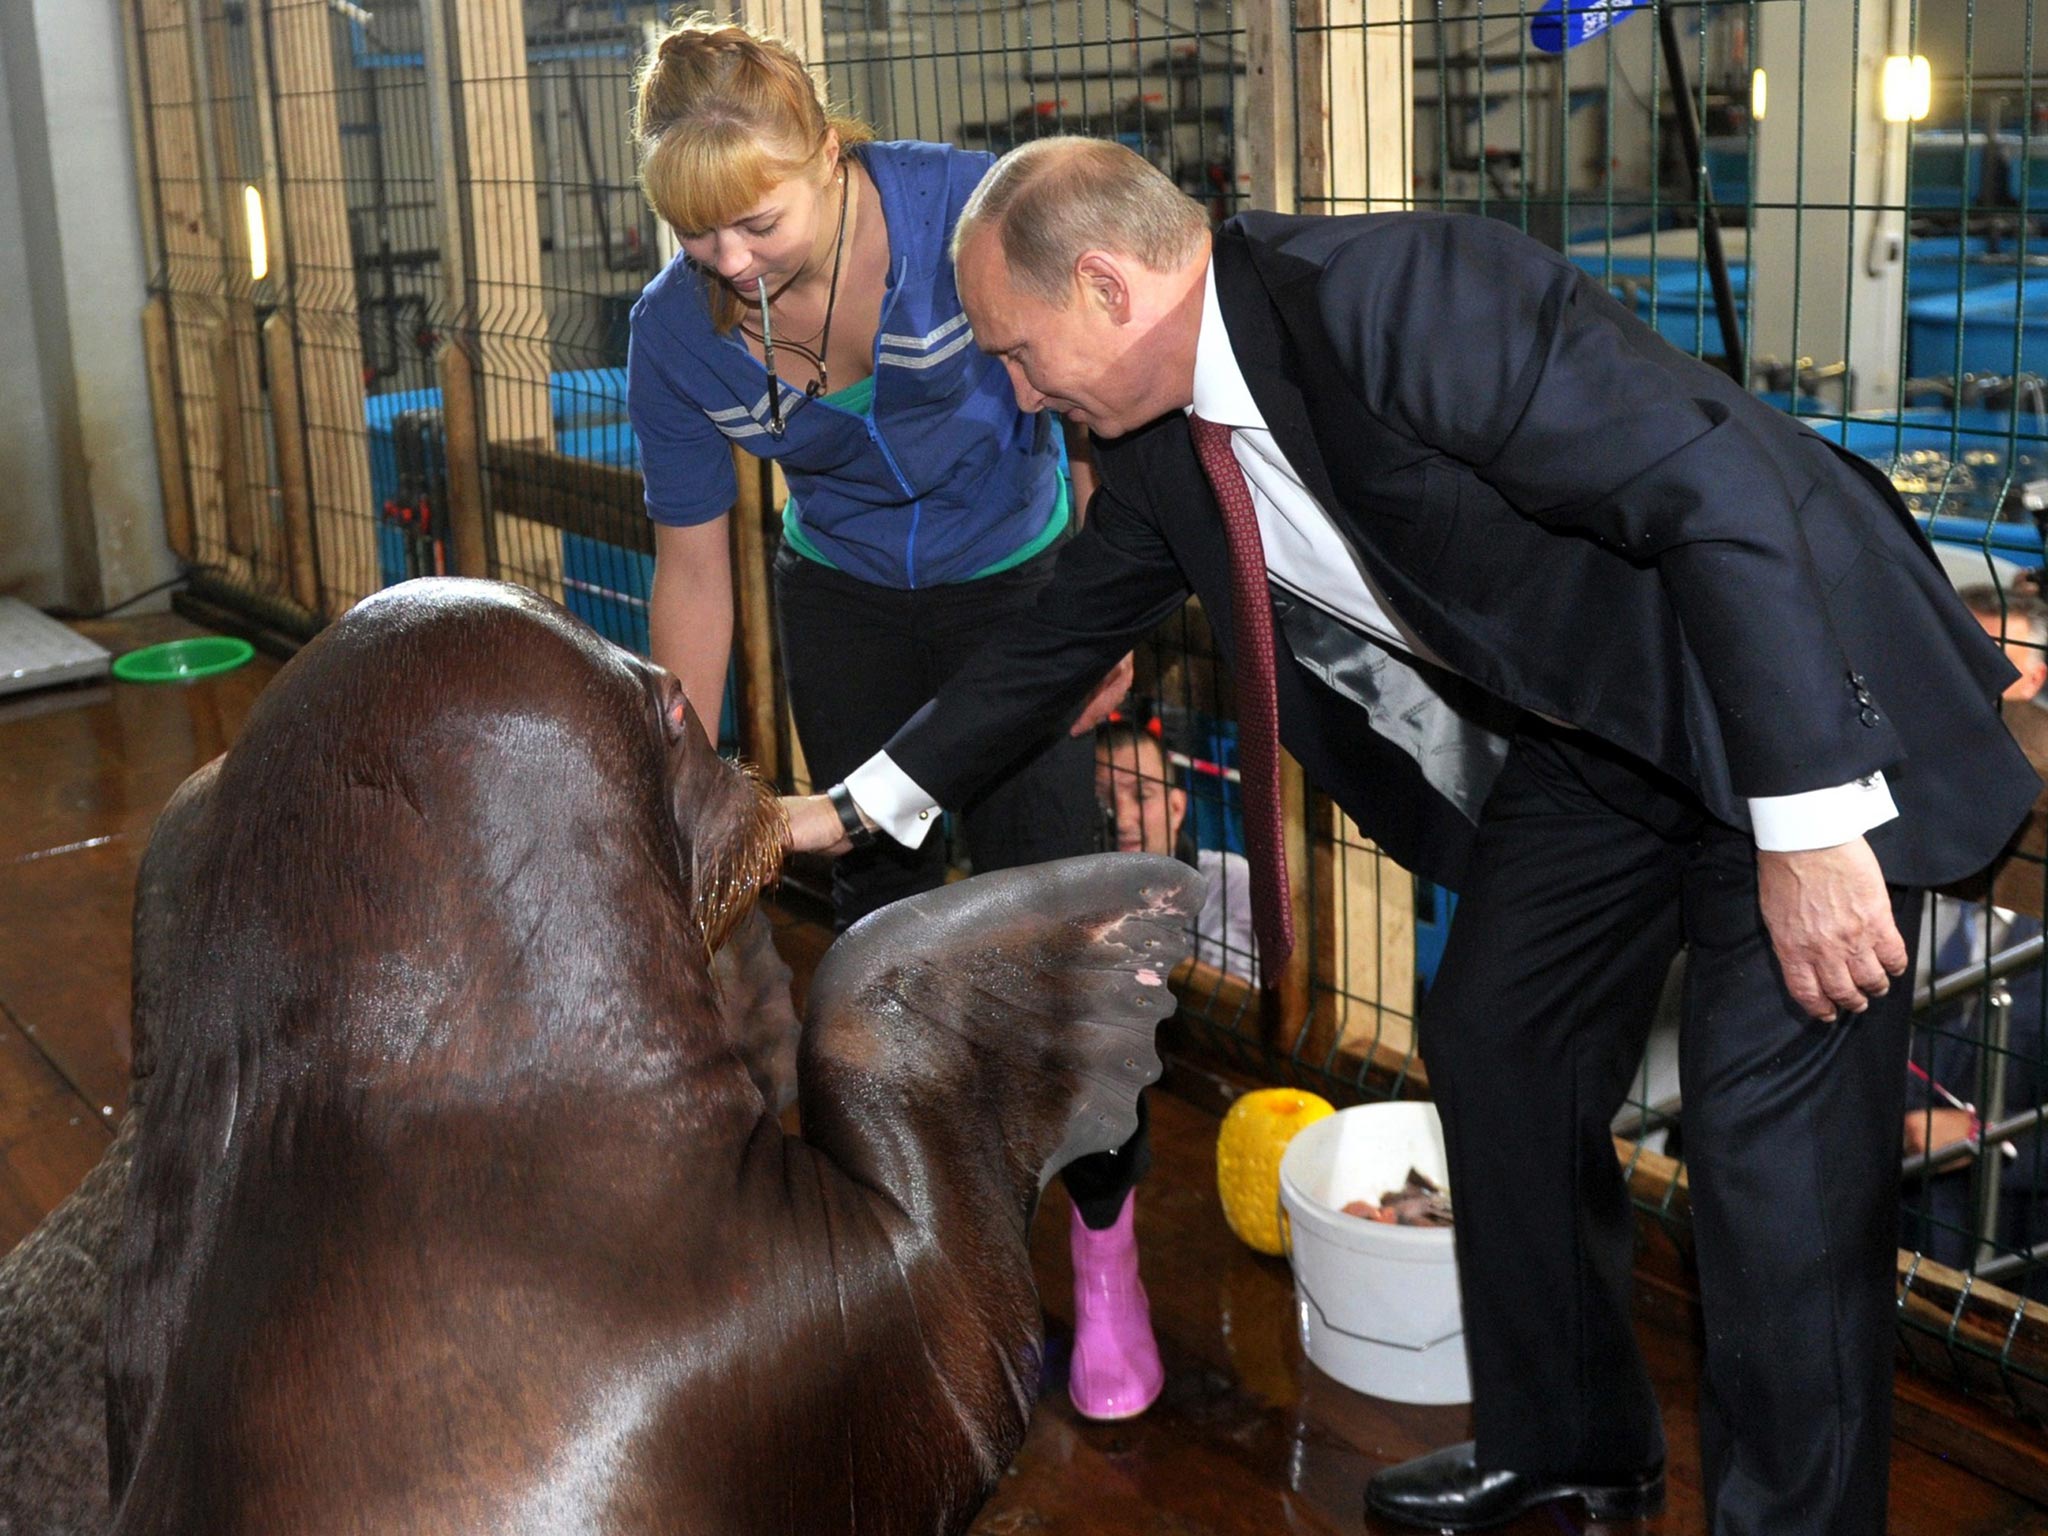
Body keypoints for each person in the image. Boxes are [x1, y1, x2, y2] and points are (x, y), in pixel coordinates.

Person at [782, 137, 2039, 1534]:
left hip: (1780, 703)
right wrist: (849, 809)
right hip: (1604, 727)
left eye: (1017, 353)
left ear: (1106, 286)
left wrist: (1806, 826)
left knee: (1770, 1171)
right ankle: (1571, 1448)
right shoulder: (1160, 457)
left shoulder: (1401, 296)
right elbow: (1053, 639)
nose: (1016, 392)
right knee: (1501, 1035)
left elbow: (1718, 490)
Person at [624, 22, 1153, 1421]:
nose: (733, 263)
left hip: (1021, 587)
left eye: (760, 218)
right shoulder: (675, 338)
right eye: (697, 237)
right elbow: (693, 566)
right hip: (846, 596)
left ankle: (1105, 1239)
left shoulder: (963, 218)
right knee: (872, 915)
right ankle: (893, 1233)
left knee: (1059, 906)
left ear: (832, 152)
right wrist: (668, 764)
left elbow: (1102, 399)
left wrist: (1102, 610)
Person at [1902, 586, 2048, 1298]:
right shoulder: (1893, 815)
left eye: (2000, 660)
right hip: (1882, 1208)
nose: (1978, 682)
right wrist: (1897, 1123)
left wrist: (1994, 1140)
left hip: (2018, 1240)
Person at [1095, 718, 1258, 982]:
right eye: (1102, 800)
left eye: (1142, 796)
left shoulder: (1230, 885)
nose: (1123, 820)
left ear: (1176, 808)